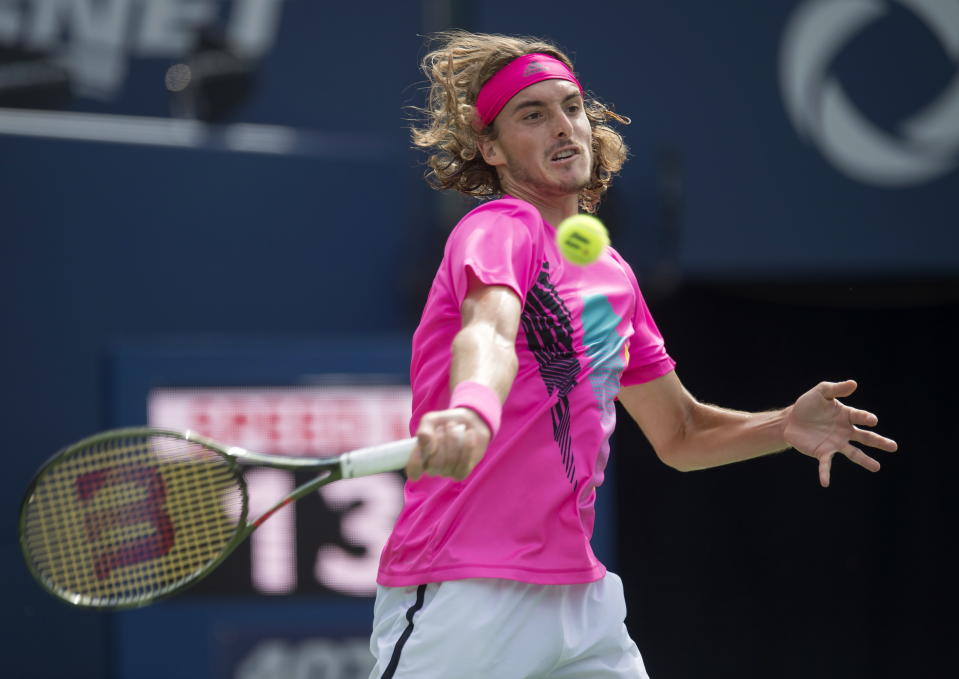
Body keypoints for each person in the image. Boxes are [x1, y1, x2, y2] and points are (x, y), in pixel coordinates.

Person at [368, 31, 898, 679]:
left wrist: (782, 425)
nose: (563, 127)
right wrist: (474, 408)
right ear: (491, 149)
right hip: (467, 587)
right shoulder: (498, 227)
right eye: (531, 115)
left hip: (581, 602)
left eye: (570, 106)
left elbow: (679, 431)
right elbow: (489, 329)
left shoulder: (610, 276)